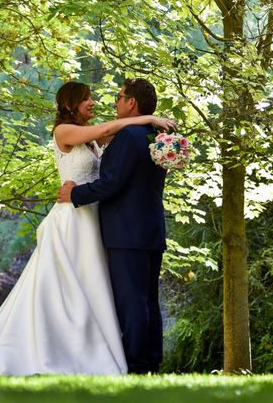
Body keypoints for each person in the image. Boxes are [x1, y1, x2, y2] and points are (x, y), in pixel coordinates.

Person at [0, 81, 175, 376]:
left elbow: (113, 161)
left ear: (131, 102)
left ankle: (122, 359)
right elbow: (108, 131)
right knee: (71, 291)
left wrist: (147, 120)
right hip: (73, 221)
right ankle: (65, 349)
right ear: (71, 104)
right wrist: (150, 118)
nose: (95, 103)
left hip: (96, 220)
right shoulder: (66, 132)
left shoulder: (108, 139)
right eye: (87, 99)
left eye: (111, 97)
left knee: (107, 292)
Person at [57, 78, 168, 374]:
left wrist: (74, 194)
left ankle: (136, 365)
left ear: (131, 103)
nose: (114, 103)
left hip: (126, 231)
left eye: (119, 98)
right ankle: (151, 360)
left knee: (132, 301)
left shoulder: (131, 136)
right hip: (150, 229)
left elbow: (113, 183)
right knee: (148, 301)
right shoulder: (154, 137)